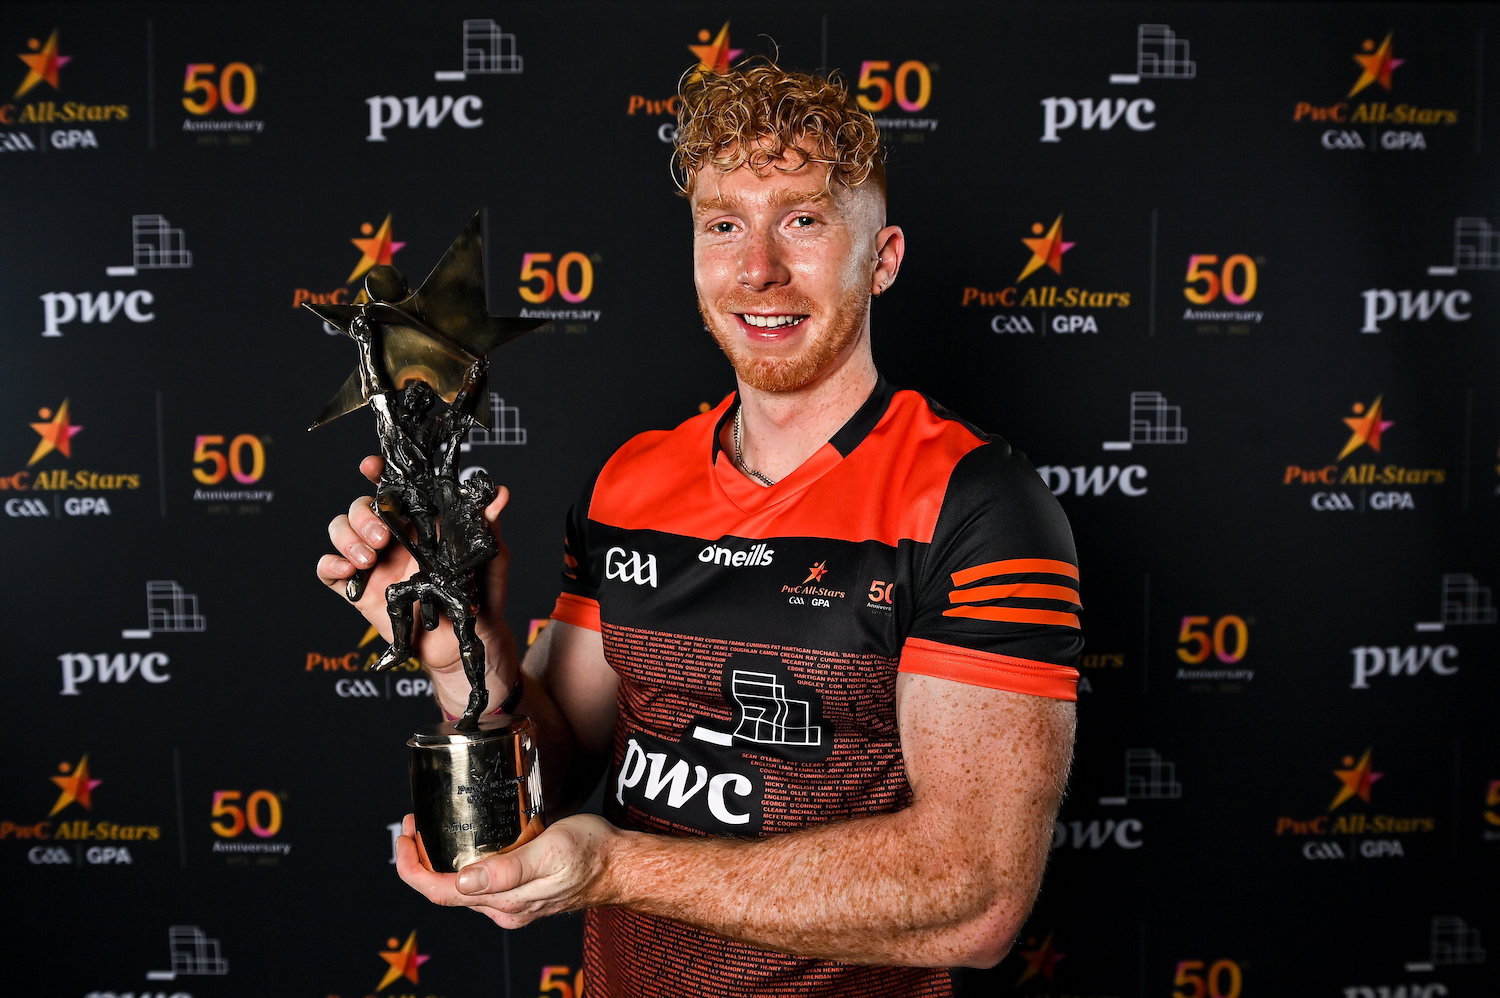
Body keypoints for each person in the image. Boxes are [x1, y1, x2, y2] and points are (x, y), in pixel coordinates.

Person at [318, 58, 1082, 998]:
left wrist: (615, 870)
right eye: (725, 225)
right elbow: (554, 778)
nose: (759, 268)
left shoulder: (975, 502)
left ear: (880, 260)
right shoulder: (630, 483)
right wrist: (460, 655)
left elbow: (974, 899)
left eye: (802, 220)